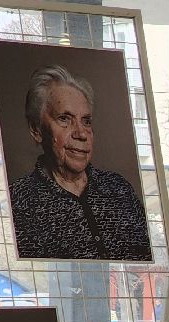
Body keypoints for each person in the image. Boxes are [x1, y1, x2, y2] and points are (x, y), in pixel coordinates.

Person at [8, 65, 152, 262]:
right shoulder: (19, 202)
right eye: (65, 119)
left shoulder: (120, 190)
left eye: (86, 121)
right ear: (36, 130)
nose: (81, 134)